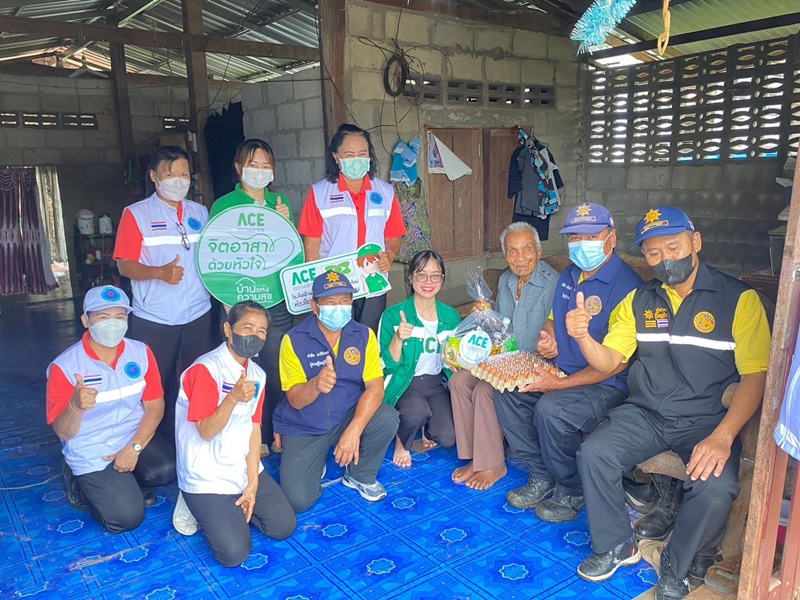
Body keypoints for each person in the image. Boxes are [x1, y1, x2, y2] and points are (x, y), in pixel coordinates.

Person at [568, 207, 770, 600]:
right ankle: (617, 545)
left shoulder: (738, 300)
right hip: (646, 413)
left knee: (716, 489)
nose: (665, 259)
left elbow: (755, 375)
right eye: (653, 253)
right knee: (594, 452)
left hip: (705, 420)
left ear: (696, 242)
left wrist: (724, 436)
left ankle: (677, 567)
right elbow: (610, 360)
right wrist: (583, 339)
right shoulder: (639, 300)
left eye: (674, 247)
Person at [493, 203, 642, 521]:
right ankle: (541, 474)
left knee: (552, 409)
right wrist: (548, 337)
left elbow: (614, 365)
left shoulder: (628, 288)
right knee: (508, 390)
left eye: (591, 236)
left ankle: (572, 488)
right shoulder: (570, 275)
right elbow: (552, 318)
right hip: (563, 371)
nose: (581, 243)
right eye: (575, 237)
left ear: (611, 238)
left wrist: (558, 384)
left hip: (606, 384)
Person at [173, 301, 297, 567]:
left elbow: (254, 427)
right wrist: (232, 398)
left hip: (239, 464)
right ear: (228, 330)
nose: (255, 335)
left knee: (283, 526)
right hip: (205, 472)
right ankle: (191, 500)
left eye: (261, 331)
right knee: (234, 554)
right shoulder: (206, 369)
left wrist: (252, 481)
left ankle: (226, 507)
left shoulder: (257, 374)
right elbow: (206, 431)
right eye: (247, 327)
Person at [46, 286, 175, 533]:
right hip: (91, 446)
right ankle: (80, 482)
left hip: (131, 435)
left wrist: (134, 447)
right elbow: (63, 432)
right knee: (126, 518)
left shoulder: (141, 353)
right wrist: (74, 406)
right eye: (103, 317)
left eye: (120, 316)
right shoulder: (64, 366)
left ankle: (121, 483)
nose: (113, 324)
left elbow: (155, 405)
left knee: (166, 470)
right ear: (86, 321)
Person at [274, 271, 399, 512]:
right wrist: (315, 385)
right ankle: (316, 459)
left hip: (346, 416)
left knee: (386, 417)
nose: (338, 308)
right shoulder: (293, 340)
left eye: (344, 301)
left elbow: (375, 387)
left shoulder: (363, 335)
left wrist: (354, 430)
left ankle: (359, 475)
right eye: (330, 302)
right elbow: (295, 400)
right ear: (314, 306)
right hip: (305, 425)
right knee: (298, 501)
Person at [113, 146, 215, 444]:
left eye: (184, 174)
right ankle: (155, 444)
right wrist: (159, 273)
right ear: (153, 176)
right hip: (155, 317)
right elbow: (124, 264)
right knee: (157, 384)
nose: (178, 181)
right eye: (170, 174)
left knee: (197, 378)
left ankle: (195, 439)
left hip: (199, 313)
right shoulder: (136, 214)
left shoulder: (200, 212)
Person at [449, 222, 558, 490]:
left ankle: (493, 463)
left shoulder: (553, 283)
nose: (520, 258)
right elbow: (503, 324)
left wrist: (550, 342)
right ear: (505, 255)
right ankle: (475, 457)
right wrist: (486, 312)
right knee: (459, 381)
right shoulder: (506, 280)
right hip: (504, 358)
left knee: (486, 389)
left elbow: (557, 327)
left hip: (535, 363)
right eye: (512, 251)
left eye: (527, 249)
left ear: (539, 252)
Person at [210, 139, 295, 451]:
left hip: (274, 300)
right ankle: (246, 435)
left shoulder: (280, 203)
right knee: (239, 368)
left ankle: (275, 433)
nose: (259, 171)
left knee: (275, 368)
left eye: (265, 166)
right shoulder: (223, 206)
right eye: (252, 165)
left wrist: (286, 223)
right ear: (238, 167)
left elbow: (289, 254)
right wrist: (228, 304)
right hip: (237, 301)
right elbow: (214, 256)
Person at [297, 123, 407, 332]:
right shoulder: (320, 193)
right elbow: (311, 248)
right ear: (336, 157)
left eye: (362, 153)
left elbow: (393, 235)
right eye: (349, 154)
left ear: (369, 156)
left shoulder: (385, 192)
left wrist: (390, 255)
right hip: (334, 285)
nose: (356, 159)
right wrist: (318, 287)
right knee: (335, 338)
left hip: (372, 282)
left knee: (367, 337)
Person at [378, 250, 461, 468]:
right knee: (416, 411)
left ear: (442, 279)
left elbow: (455, 358)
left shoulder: (451, 316)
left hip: (436, 384)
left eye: (435, 275)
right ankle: (402, 441)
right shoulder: (392, 315)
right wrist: (398, 338)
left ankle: (427, 428)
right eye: (421, 274)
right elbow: (384, 366)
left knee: (448, 437)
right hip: (405, 384)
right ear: (410, 277)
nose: (428, 281)